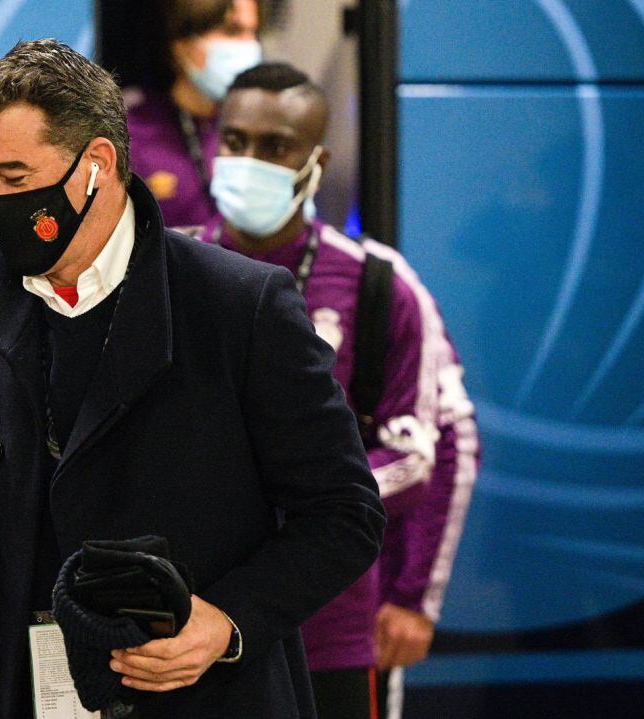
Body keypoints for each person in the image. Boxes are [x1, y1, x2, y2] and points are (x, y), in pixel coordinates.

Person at [0, 39, 384, 719]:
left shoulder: (237, 306)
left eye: (14, 176)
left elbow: (344, 514)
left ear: (97, 164)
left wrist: (227, 621)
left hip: (196, 700)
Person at [197, 62, 479, 719]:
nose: (248, 160)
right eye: (235, 140)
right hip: (191, 618)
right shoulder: (166, 269)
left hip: (330, 627)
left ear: (315, 162)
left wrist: (412, 594)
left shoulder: (377, 283)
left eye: (275, 146)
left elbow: (424, 450)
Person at [126, 0, 262, 228]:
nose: (249, 45)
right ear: (183, 45)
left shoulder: (263, 129)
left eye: (253, 32)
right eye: (233, 31)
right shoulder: (129, 131)